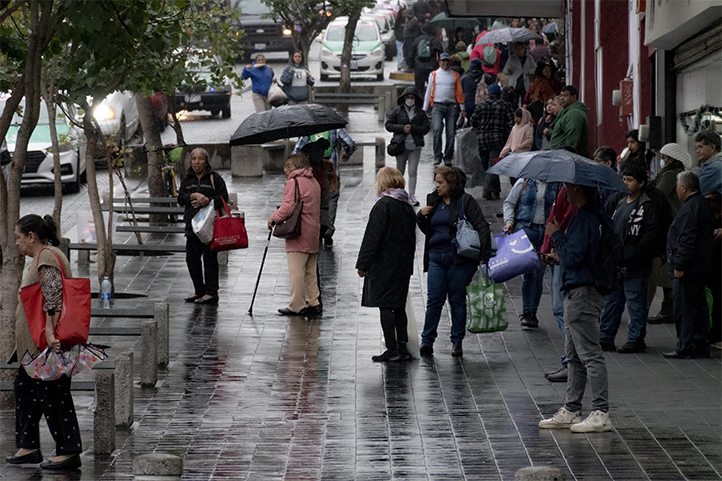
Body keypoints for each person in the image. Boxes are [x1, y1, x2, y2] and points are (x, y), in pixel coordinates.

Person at [7, 214, 82, 470]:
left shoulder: (47, 256)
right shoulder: (46, 254)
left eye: (18, 237)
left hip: (46, 344)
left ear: (31, 236)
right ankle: (28, 447)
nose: (16, 243)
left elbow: (53, 295)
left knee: (54, 394)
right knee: (25, 388)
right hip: (35, 347)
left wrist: (50, 333)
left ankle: (68, 451)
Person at [540, 183, 612, 433]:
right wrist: (560, 253)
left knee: (589, 354)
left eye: (568, 188)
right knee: (573, 356)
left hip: (582, 292)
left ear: (578, 190)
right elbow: (580, 255)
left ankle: (600, 411)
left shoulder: (584, 219)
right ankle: (571, 408)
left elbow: (574, 256)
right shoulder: (597, 216)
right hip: (583, 288)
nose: (564, 192)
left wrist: (557, 235)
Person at [417, 167, 491, 357]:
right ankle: (427, 341)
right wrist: (420, 217)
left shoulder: (466, 201)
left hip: (460, 259)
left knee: (457, 300)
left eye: (441, 182)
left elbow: (482, 227)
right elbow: (430, 231)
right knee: (434, 300)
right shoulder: (433, 200)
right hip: (436, 257)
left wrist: (483, 255)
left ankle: (456, 341)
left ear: (451, 183)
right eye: (436, 182)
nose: (437, 186)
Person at [356, 167, 417, 362]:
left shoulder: (383, 205)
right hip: (402, 265)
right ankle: (402, 347)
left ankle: (391, 347)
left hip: (384, 264)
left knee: (385, 306)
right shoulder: (406, 206)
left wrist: (363, 264)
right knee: (398, 306)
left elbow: (372, 237)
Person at [598, 162, 659, 353]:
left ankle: (635, 339)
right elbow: (606, 223)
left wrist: (631, 252)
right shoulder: (618, 200)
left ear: (641, 182)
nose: (626, 183)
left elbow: (649, 235)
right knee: (612, 302)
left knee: (635, 302)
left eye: (630, 180)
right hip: (616, 262)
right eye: (624, 179)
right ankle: (606, 336)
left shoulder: (647, 205)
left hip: (636, 263)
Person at [663, 171, 715, 359]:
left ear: (684, 187)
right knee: (697, 306)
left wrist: (679, 264)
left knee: (685, 308)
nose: (676, 189)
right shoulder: (701, 204)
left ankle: (686, 345)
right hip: (699, 266)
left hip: (689, 268)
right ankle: (700, 343)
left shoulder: (691, 208)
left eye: (677, 185)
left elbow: (687, 239)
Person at [269, 154, 322, 316]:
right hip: (313, 231)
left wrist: (273, 218)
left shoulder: (294, 182)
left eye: (289, 166)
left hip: (299, 232)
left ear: (298, 167)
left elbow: (287, 208)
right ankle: (314, 302)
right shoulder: (314, 181)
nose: (285, 170)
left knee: (296, 271)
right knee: (310, 271)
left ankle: (296, 305)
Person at [503, 178, 560, 328]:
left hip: (547, 233)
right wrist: (509, 221)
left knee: (539, 274)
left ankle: (533, 311)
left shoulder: (557, 184)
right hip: (526, 229)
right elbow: (509, 203)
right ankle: (527, 312)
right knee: (529, 273)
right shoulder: (524, 182)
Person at [178, 148, 229, 305]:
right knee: (191, 260)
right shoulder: (188, 179)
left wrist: (207, 200)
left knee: (209, 260)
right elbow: (180, 198)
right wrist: (193, 196)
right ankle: (199, 290)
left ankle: (211, 292)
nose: (197, 162)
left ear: (206, 161)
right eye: (194, 159)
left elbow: (224, 197)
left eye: (200, 159)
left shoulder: (214, 178)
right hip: (192, 226)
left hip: (209, 227)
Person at [647, 143, 690, 324]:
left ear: (671, 158)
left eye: (664, 157)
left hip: (670, 222)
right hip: (671, 221)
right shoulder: (670, 173)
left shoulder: (671, 174)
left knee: (667, 267)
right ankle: (669, 305)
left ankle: (669, 307)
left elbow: (658, 193)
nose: (663, 160)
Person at [540, 185, 578, 382]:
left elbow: (562, 224)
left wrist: (554, 246)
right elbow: (553, 220)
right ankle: (571, 360)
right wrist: (547, 247)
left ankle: (571, 361)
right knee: (560, 310)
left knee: (561, 310)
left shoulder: (571, 193)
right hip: (557, 251)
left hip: (562, 254)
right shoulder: (561, 190)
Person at [294, 129, 356, 245]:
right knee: (331, 201)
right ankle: (328, 230)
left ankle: (315, 230)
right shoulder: (335, 128)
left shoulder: (308, 129)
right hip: (331, 174)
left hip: (312, 175)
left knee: (312, 202)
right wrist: (347, 154)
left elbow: (297, 150)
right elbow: (349, 143)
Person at [385, 87, 431, 206]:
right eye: (407, 97)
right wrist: (402, 128)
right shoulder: (397, 111)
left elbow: (426, 128)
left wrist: (413, 128)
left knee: (412, 171)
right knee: (399, 171)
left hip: (415, 146)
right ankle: (399, 193)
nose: (409, 100)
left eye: (412, 97)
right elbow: (388, 125)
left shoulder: (420, 113)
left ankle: (411, 195)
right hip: (401, 145)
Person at [470, 82, 515, 197]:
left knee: (487, 165)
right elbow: (511, 124)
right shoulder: (506, 106)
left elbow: (473, 121)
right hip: (498, 139)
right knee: (494, 165)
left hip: (482, 140)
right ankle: (490, 188)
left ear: (488, 94)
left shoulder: (481, 106)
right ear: (499, 93)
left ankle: (491, 190)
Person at [423, 52, 466, 167]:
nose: (445, 63)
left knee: (450, 132)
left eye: (447, 61)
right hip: (437, 105)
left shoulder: (455, 75)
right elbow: (428, 91)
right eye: (443, 61)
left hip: (451, 106)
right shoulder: (434, 74)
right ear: (439, 62)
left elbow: (459, 92)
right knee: (437, 130)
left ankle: (448, 157)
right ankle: (437, 156)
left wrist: (462, 108)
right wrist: (425, 108)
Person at [550, 85, 589, 158]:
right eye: (561, 95)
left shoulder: (574, 114)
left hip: (567, 157)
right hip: (560, 155)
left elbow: (572, 137)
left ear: (574, 97)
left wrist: (567, 155)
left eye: (565, 96)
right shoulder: (567, 112)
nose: (561, 98)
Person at [499, 107, 534, 186]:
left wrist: (520, 146)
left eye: (518, 117)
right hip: (513, 155)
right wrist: (502, 154)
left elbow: (530, 140)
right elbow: (509, 142)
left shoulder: (526, 128)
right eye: (515, 117)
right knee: (512, 176)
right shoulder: (514, 128)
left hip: (523, 155)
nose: (516, 119)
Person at [410, 24, 443, 100]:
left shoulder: (417, 40)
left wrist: (412, 66)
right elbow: (441, 54)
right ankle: (430, 106)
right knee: (432, 88)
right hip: (431, 68)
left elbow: (411, 54)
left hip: (418, 67)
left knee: (418, 89)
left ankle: (420, 104)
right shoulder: (435, 41)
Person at [503, 42, 536, 107]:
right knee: (514, 102)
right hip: (514, 84)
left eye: (521, 49)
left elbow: (535, 68)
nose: (519, 51)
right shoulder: (511, 59)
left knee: (525, 101)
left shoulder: (529, 58)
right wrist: (508, 69)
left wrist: (529, 71)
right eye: (517, 49)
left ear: (524, 50)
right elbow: (505, 72)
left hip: (525, 83)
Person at [696, 130, 722, 198]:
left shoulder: (715, 167)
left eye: (700, 147)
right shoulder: (710, 164)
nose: (697, 151)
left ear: (712, 148)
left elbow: (695, 191)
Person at [394, 7, 408, 71]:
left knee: (405, 53)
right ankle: (399, 65)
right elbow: (395, 29)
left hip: (405, 39)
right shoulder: (398, 21)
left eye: (405, 13)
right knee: (399, 52)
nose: (404, 15)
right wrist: (398, 36)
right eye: (402, 13)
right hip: (399, 39)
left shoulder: (407, 21)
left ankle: (405, 65)